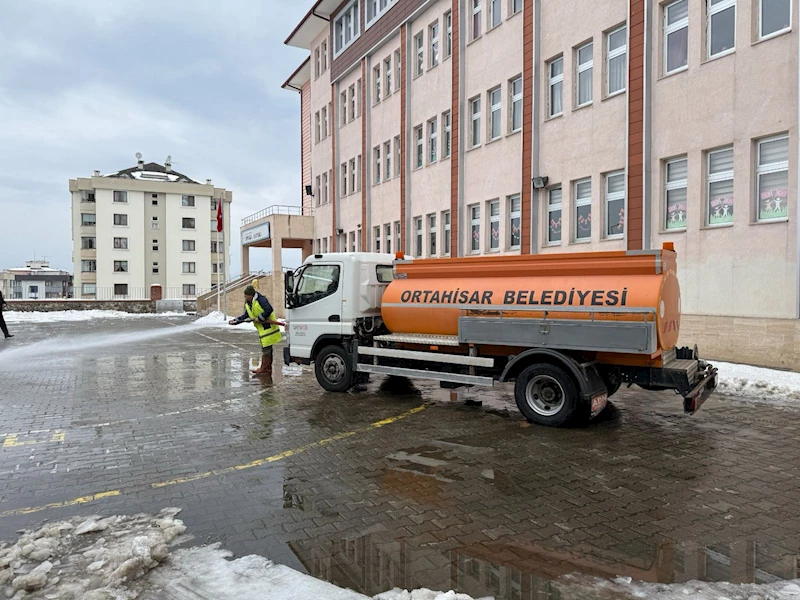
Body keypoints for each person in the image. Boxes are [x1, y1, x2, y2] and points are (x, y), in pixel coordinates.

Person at [229, 286, 283, 374]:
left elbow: (269, 309)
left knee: (266, 349)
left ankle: (264, 368)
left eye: (246, 296)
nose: (245, 297)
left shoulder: (261, 299)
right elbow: (246, 315)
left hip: (268, 327)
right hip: (262, 329)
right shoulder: (248, 303)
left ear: (251, 295)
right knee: (267, 348)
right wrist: (236, 321)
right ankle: (267, 368)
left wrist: (260, 318)